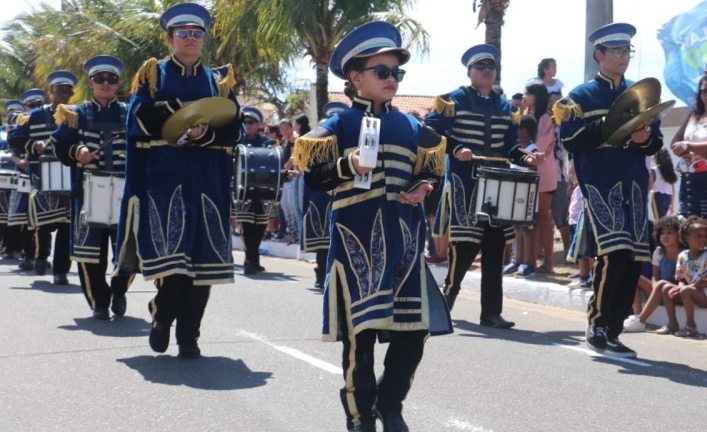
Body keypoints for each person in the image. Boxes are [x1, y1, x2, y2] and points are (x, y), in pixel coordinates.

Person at [296, 21, 452, 432]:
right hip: (355, 248)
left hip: (404, 249)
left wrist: (423, 187)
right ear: (356, 78)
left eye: (396, 73)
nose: (391, 80)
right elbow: (313, 176)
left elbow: (430, 173)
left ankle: (390, 404)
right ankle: (361, 416)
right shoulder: (341, 124)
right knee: (360, 342)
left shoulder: (413, 127)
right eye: (381, 72)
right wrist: (347, 165)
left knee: (413, 335)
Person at [114, 2, 242, 358]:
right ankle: (162, 312)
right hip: (165, 180)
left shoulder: (219, 80)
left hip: (209, 183)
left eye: (196, 33)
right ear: (170, 38)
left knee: (203, 266)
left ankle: (190, 336)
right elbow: (136, 123)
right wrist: (181, 121)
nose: (190, 38)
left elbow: (235, 129)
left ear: (204, 39)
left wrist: (205, 135)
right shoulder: (153, 75)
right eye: (182, 33)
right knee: (174, 263)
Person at [554, 23, 663, 358]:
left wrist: (646, 139)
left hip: (633, 184)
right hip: (600, 183)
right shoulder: (580, 96)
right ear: (598, 54)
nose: (622, 56)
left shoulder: (640, 93)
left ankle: (614, 330)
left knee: (632, 260)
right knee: (613, 253)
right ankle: (597, 324)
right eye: (615, 50)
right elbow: (570, 140)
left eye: (626, 50)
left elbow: (654, 144)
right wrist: (607, 126)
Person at [424, 43, 543, 328]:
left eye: (491, 67)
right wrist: (456, 148)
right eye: (481, 67)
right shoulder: (453, 100)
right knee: (464, 244)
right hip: (466, 181)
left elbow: (510, 147)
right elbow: (430, 130)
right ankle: (447, 297)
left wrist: (527, 156)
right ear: (470, 72)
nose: (488, 71)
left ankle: (491, 312)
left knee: (494, 245)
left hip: (498, 183)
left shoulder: (506, 107)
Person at [50, 55, 135, 320]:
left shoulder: (131, 112)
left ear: (118, 82)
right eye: (100, 79)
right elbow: (60, 146)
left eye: (111, 79)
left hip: (125, 189)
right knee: (89, 252)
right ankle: (99, 302)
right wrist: (78, 150)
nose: (106, 84)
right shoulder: (75, 114)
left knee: (126, 249)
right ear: (91, 82)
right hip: (89, 191)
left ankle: (119, 289)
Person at [8, 73, 76, 285]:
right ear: (51, 92)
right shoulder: (35, 116)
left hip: (70, 177)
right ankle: (40, 256)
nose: (64, 94)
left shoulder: (77, 115)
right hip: (41, 176)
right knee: (43, 224)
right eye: (60, 90)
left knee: (66, 226)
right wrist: (33, 146)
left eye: (68, 91)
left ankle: (60, 271)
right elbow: (14, 138)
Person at [299, 102, 346, 289]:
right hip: (321, 195)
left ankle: (333, 276)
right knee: (322, 239)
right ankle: (321, 274)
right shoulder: (318, 143)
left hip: (342, 194)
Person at [517, 82, 556, 277]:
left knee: (543, 218)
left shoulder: (546, 118)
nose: (524, 96)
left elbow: (541, 145)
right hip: (526, 170)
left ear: (536, 96)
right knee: (525, 217)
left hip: (544, 171)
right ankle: (526, 260)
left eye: (527, 93)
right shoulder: (527, 115)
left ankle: (548, 261)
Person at [233, 106, 274, 274]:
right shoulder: (237, 142)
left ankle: (253, 259)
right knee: (247, 225)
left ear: (259, 125)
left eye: (251, 122)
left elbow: (274, 162)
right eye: (245, 122)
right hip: (243, 191)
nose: (247, 125)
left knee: (260, 226)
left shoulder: (267, 143)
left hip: (262, 190)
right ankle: (250, 260)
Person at [624, 215, 681, 332]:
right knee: (633, 275)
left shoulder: (684, 254)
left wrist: (660, 286)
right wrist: (655, 286)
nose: (665, 236)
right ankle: (637, 314)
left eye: (670, 233)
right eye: (662, 233)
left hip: (677, 292)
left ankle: (641, 320)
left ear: (679, 235)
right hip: (659, 290)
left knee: (662, 285)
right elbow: (655, 275)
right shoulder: (658, 253)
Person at [661, 216, 707, 337]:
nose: (703, 239)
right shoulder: (683, 256)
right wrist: (679, 287)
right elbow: (681, 278)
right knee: (666, 288)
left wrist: (684, 288)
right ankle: (672, 323)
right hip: (690, 292)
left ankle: (691, 327)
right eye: (699, 236)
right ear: (687, 238)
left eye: (705, 236)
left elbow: (704, 281)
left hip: (704, 295)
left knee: (686, 290)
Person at [670, 74, 707, 219]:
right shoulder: (694, 115)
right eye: (703, 91)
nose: (706, 94)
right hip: (689, 180)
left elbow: (684, 144)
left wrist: (687, 146)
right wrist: (683, 150)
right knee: (687, 227)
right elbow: (675, 142)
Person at [648, 148, 678, 219]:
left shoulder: (654, 171)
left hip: (657, 197)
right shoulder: (670, 172)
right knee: (663, 219)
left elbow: (650, 188)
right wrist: (672, 204)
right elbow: (672, 190)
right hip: (667, 198)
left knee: (658, 220)